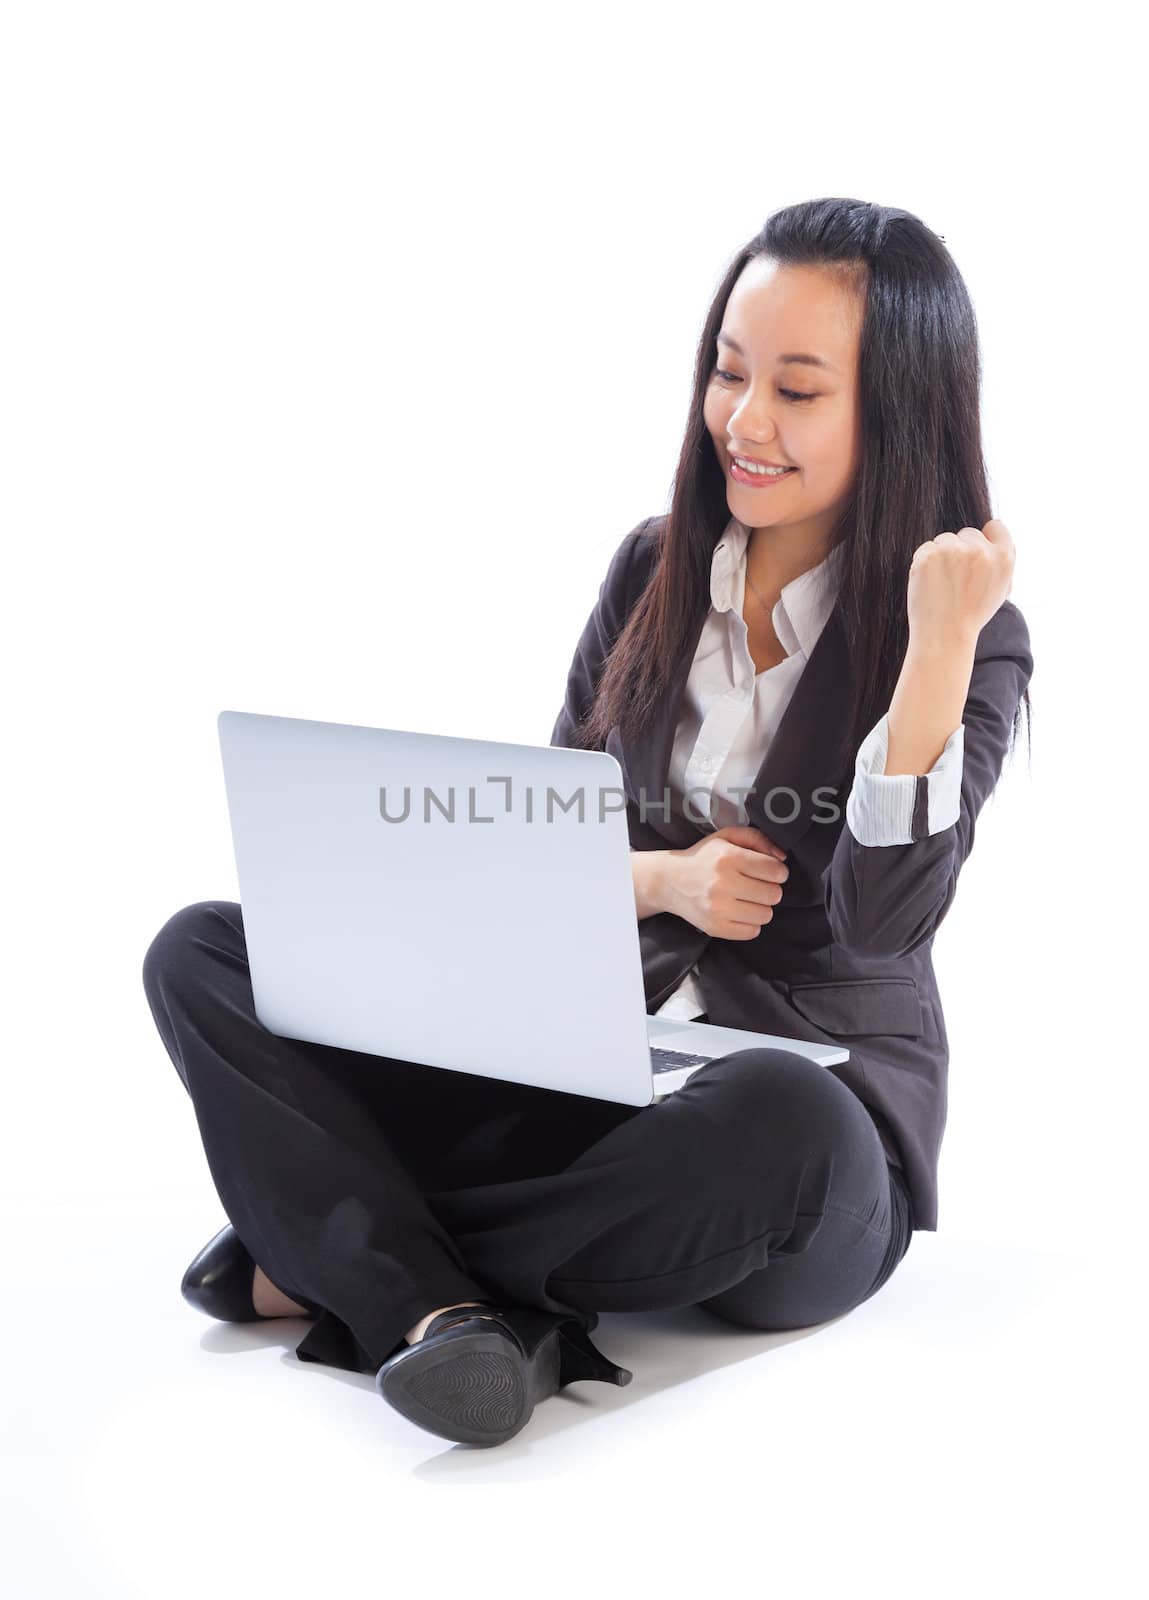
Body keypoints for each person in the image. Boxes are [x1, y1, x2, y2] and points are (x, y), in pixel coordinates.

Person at [142, 195, 1033, 1450]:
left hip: (798, 1146)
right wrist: (661, 880)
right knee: (208, 949)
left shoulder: (958, 637)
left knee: (776, 1111)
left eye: (795, 388)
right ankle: (441, 1311)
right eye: (728, 373)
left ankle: (343, 1247)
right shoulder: (649, 571)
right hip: (589, 1077)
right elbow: (542, 855)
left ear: (893, 407)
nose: (743, 420)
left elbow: (884, 924)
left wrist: (936, 645)